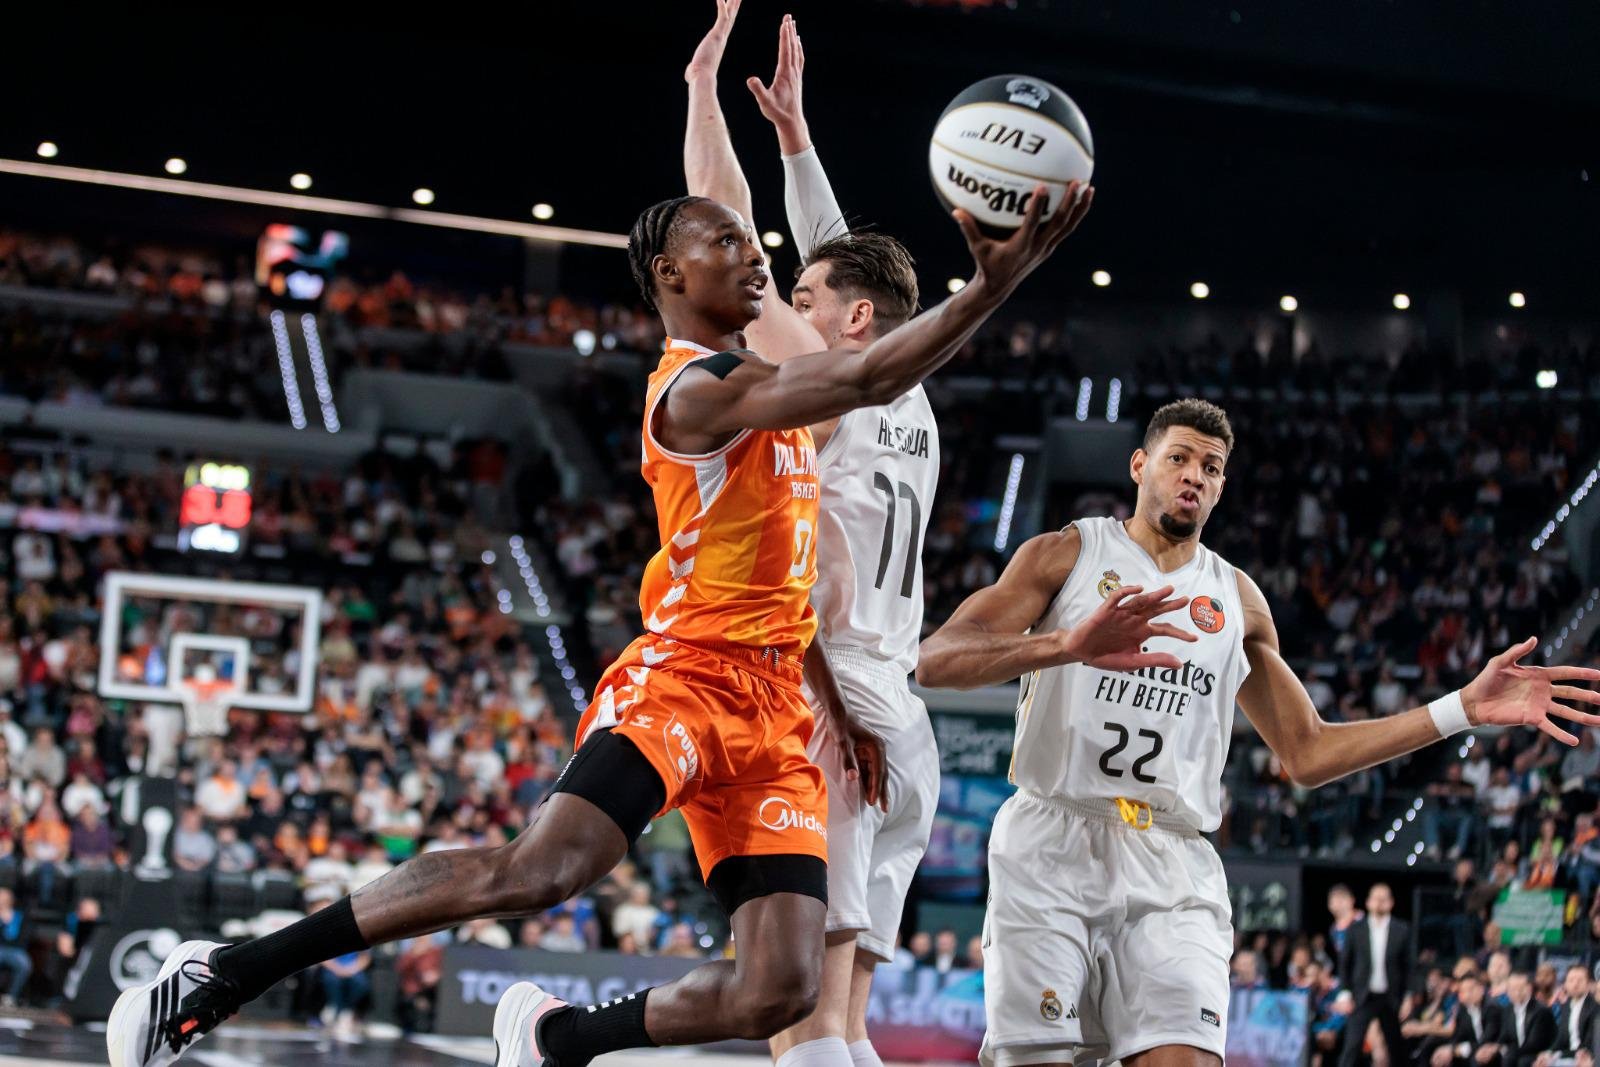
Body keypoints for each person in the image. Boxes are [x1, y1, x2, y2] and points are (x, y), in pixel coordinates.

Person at [106, 28, 1095, 1067]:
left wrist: (711, 93)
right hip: (687, 676)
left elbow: (793, 266)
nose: (760, 260)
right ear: (673, 275)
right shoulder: (705, 390)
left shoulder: (803, 366)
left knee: (781, 986)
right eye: (735, 252)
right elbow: (848, 359)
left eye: (769, 260)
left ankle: (560, 1038)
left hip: (784, 695)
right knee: (542, 870)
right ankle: (229, 968)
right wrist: (988, 288)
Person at [915, 397, 1600, 1067]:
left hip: (1171, 857)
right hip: (1052, 840)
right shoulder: (1067, 554)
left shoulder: (1236, 599)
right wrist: (1067, 644)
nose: (1194, 476)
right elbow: (938, 659)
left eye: (1211, 467)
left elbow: (1306, 751)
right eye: (1178, 458)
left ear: (1221, 486)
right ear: (1138, 465)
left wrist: (1462, 709)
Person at [679, 9, 945, 1066]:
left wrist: (702, 94)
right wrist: (795, 137)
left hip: (829, 696)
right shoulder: (913, 394)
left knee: (800, 1020)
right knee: (848, 1013)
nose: (775, 306)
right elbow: (835, 262)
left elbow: (720, 224)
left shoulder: (828, 391)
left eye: (798, 301)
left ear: (850, 324)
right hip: (904, 702)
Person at [1338, 884, 1412, 1067]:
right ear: (1368, 902)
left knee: (1397, 1048)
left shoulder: (1401, 929)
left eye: (1384, 898)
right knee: (1352, 1046)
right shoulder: (1356, 929)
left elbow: (1409, 966)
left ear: (1391, 903)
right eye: (1376, 898)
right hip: (1363, 995)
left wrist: (1409, 996)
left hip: (1391, 996)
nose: (1379, 902)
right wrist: (1345, 993)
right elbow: (1345, 964)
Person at [1432, 974, 1507, 1067]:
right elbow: (1457, 1036)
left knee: (1477, 1057)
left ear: (1481, 989)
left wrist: (1457, 1050)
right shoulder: (1463, 1009)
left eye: (1471, 990)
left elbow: (1487, 1039)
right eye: (1464, 991)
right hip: (1474, 1049)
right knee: (1442, 1055)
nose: (1467, 994)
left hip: (1492, 1050)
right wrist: (1450, 1048)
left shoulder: (1492, 1008)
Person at [1539, 964, 1597, 1067]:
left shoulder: (1594, 1008)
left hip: (1585, 1057)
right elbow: (1561, 1038)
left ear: (1588, 984)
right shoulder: (1565, 1006)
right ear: (1565, 984)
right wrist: (1548, 1053)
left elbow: (1590, 1043)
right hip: (1568, 1055)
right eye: (1571, 980)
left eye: (1579, 981)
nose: (1575, 984)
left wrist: (1559, 1056)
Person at [1502, 972, 1556, 1067]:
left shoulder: (1540, 1011)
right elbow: (1505, 1036)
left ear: (1529, 989)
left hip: (1539, 1053)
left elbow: (1535, 1044)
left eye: (1520, 988)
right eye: (1513, 989)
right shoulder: (1508, 1009)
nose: (1517, 992)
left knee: (1520, 1061)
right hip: (1519, 1052)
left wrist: (1511, 1052)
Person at [0, 888, 30, 1006]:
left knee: (24, 964)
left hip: (15, 950)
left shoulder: (19, 916)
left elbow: (22, 936)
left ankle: (10, 996)